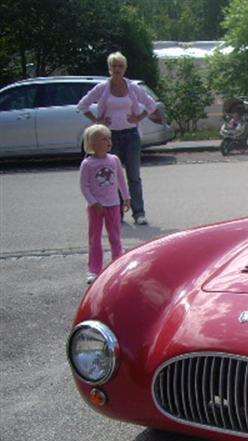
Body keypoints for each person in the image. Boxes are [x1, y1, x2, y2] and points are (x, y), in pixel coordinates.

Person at [77, 51, 156, 225]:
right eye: (114, 66)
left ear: (125, 68)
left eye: (120, 66)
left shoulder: (133, 87)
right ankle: (117, 213)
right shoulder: (102, 88)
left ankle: (139, 213)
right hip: (110, 137)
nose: (117, 69)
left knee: (133, 176)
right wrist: (97, 120)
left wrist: (138, 118)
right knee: (114, 177)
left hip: (131, 135)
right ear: (109, 68)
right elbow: (83, 105)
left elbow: (151, 104)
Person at [79, 124, 131, 285]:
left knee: (115, 237)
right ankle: (94, 269)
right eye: (103, 139)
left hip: (113, 204)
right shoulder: (87, 164)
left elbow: (121, 180)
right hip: (96, 207)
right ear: (93, 143)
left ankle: (117, 265)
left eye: (109, 138)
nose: (108, 142)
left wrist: (126, 197)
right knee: (95, 238)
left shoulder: (114, 160)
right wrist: (94, 203)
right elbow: (84, 186)